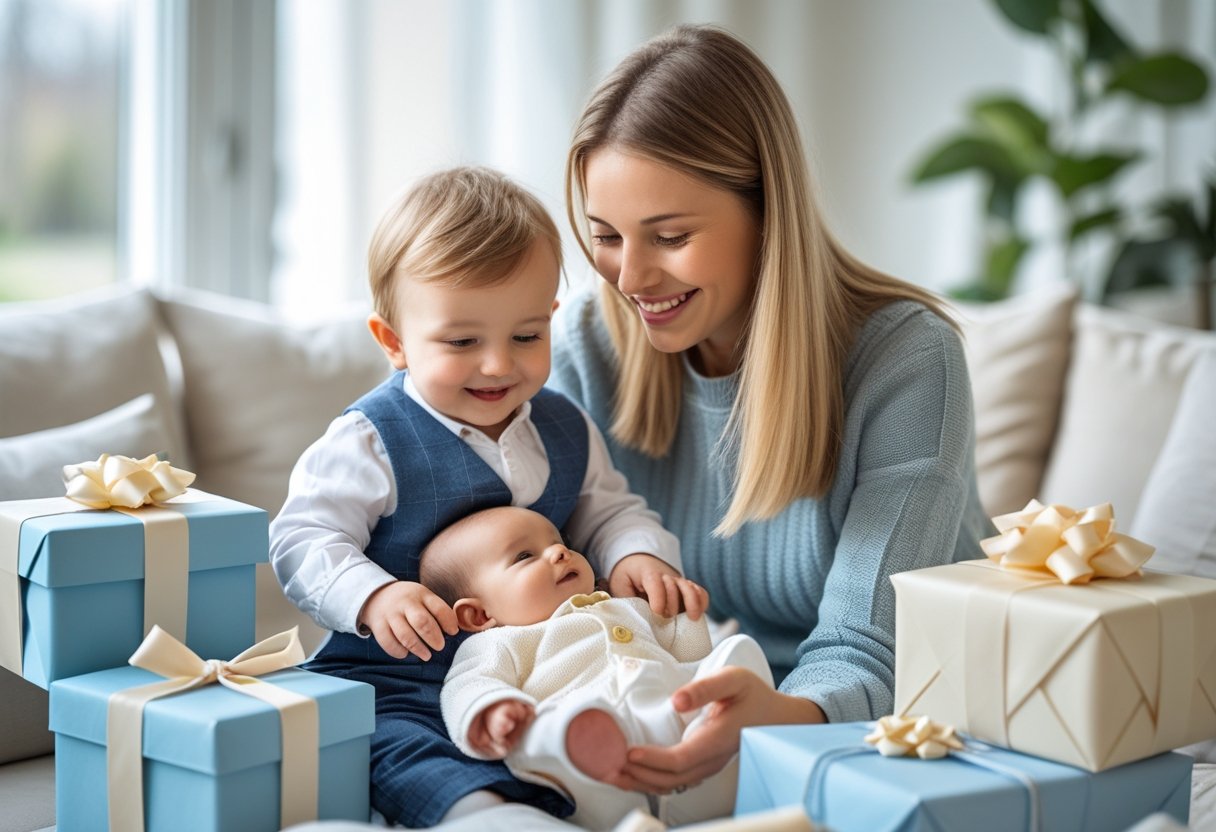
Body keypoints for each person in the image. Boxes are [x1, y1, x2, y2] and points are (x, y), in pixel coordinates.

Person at [549, 24, 994, 797]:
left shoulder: (909, 361)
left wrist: (774, 718)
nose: (632, 276)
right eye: (606, 237)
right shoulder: (588, 347)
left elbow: (868, 646)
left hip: (878, 733)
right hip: (686, 718)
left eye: (671, 236)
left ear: (768, 212)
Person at [269, 166, 693, 828]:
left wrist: (636, 554)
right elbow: (302, 539)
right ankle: (480, 813)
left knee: (605, 720)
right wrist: (374, 594)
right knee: (399, 750)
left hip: (534, 669)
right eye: (463, 342)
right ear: (395, 342)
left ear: (551, 318)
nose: (499, 364)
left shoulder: (562, 426)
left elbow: (608, 510)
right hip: (396, 686)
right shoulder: (369, 442)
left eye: (526, 336)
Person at [421, 505, 772, 831]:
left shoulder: (627, 608)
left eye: (560, 542)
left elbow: (687, 654)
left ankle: (724, 775)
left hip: (680, 730)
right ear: (480, 615)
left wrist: (685, 612)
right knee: (537, 733)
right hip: (588, 764)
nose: (559, 552)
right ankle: (583, 748)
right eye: (525, 556)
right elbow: (465, 685)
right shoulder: (499, 643)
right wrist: (493, 709)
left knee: (736, 652)